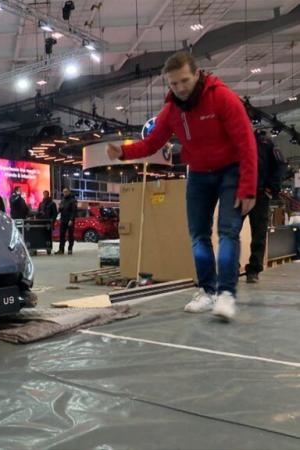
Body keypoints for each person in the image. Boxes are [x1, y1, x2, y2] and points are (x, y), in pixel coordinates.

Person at [106, 51, 257, 321]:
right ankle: (207, 291)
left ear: (197, 74)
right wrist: (123, 152)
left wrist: (248, 187)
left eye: (184, 81)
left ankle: (226, 294)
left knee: (227, 232)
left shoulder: (222, 98)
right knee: (198, 235)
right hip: (199, 174)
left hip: (231, 172)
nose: (180, 88)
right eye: (173, 84)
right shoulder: (172, 110)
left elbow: (247, 143)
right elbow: (152, 143)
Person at [245, 130, 286, 283]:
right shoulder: (235, 138)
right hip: (239, 193)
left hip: (261, 194)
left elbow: (281, 164)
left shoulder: (266, 142)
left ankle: (253, 270)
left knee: (259, 234)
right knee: (230, 232)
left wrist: (272, 187)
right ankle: (231, 267)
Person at [56, 187, 77, 255]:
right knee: (62, 235)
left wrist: (71, 220)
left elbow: (74, 211)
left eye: (66, 192)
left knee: (70, 235)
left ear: (69, 192)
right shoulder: (63, 200)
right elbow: (60, 210)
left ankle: (70, 249)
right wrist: (59, 208)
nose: (64, 193)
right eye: (63, 192)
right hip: (63, 220)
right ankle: (61, 249)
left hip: (69, 220)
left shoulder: (73, 200)